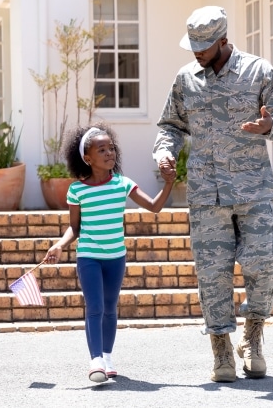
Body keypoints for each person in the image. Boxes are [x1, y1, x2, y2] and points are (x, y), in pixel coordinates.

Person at [152, 6, 273, 383]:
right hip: (205, 193)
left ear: (222, 40)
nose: (197, 51)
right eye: (193, 45)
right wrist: (164, 152)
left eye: (204, 45)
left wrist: (270, 126)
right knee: (212, 275)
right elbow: (170, 125)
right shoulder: (186, 79)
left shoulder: (258, 71)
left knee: (264, 265)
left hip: (253, 190)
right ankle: (220, 350)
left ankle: (252, 338)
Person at [44, 122, 176, 383]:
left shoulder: (122, 184)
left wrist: (169, 183)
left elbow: (154, 206)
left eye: (111, 148)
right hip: (89, 257)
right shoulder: (77, 190)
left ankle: (107, 356)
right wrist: (59, 245)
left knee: (110, 307)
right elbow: (75, 227)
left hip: (116, 257)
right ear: (87, 158)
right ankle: (95, 361)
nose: (109, 153)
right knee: (94, 307)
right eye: (101, 149)